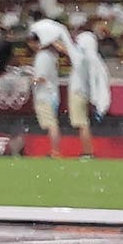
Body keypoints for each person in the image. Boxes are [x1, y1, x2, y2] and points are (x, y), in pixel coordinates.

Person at [29, 18, 70, 156]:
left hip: (44, 94)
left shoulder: (43, 56)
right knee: (52, 123)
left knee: (51, 124)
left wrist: (30, 81)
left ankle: (55, 151)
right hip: (51, 93)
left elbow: (40, 77)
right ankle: (55, 150)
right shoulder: (51, 55)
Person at [68, 27, 111, 159]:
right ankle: (88, 151)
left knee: (81, 123)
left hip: (78, 91)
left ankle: (87, 152)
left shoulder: (83, 58)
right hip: (85, 92)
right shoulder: (95, 59)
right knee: (83, 123)